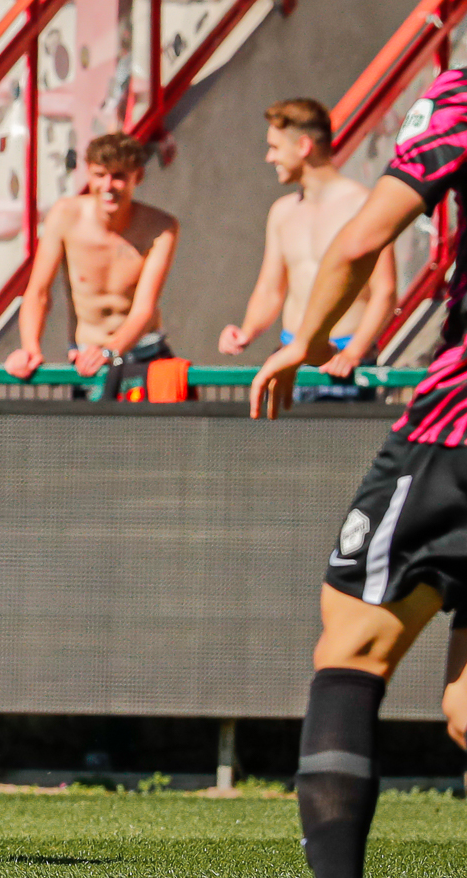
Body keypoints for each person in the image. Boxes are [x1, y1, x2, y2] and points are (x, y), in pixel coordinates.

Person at [252, 68, 467, 878]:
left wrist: (304, 344)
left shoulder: (462, 99)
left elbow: (361, 239)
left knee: (351, 650)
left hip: (456, 429)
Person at [220, 99, 393, 400]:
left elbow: (385, 291)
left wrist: (354, 352)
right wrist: (247, 330)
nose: (268, 157)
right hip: (292, 357)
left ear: (303, 146)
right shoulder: (282, 212)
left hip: (344, 365)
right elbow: (270, 290)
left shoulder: (365, 206)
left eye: (274, 147)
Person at [4, 133, 180, 399]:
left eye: (119, 176)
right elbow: (38, 293)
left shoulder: (160, 227)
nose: (108, 185)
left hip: (144, 354)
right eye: (100, 175)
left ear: (138, 176)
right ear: (88, 173)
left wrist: (109, 351)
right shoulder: (65, 216)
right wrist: (30, 348)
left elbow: (145, 308)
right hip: (88, 360)